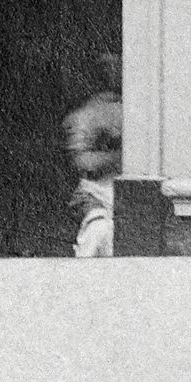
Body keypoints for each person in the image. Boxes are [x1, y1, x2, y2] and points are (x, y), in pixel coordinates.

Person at [65, 81, 123, 259]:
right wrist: (119, 157)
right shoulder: (82, 116)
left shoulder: (133, 110)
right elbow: (82, 161)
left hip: (120, 192)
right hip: (94, 191)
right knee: (98, 229)